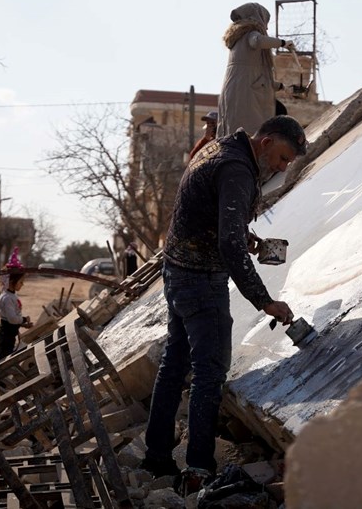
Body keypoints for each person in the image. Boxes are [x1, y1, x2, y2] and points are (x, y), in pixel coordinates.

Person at [141, 115, 307, 493]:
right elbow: (229, 247)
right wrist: (264, 301)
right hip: (200, 280)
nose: (281, 168)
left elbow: (212, 217)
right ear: (266, 142)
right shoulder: (237, 170)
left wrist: (240, 233)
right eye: (281, 158)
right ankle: (198, 468)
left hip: (178, 270)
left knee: (175, 363)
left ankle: (156, 458)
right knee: (209, 373)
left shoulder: (220, 148)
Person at [217, 3, 294, 137]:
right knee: (250, 134)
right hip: (246, 95)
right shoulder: (250, 34)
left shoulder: (238, 39)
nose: (267, 26)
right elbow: (257, 41)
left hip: (239, 91)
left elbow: (258, 79)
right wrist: (282, 43)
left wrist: (281, 86)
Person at [0, 248, 33, 362]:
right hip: (5, 336)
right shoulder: (7, 298)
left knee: (4, 361)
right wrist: (24, 319)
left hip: (9, 335)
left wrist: (23, 324)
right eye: (20, 282)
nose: (22, 284)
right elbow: (12, 319)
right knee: (2, 364)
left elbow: (13, 317)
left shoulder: (11, 295)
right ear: (11, 282)